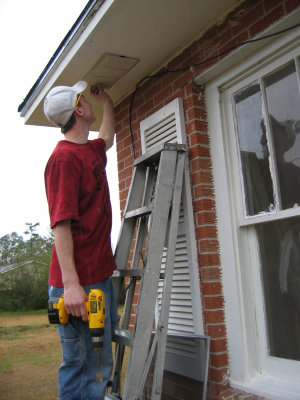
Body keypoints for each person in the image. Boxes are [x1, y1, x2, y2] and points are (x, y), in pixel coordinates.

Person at [43, 80, 119, 400]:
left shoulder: (88, 151)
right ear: (78, 109)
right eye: (85, 99)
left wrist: (109, 102)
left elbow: (107, 137)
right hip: (78, 285)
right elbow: (61, 223)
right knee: (85, 369)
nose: (89, 102)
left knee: (99, 365)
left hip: (96, 278)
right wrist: (72, 286)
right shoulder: (64, 160)